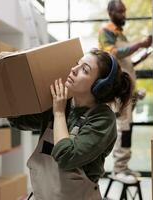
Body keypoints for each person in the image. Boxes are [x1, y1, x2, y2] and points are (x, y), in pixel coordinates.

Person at [7, 49, 133, 200]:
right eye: (77, 65)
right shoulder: (61, 102)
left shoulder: (103, 119)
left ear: (99, 86)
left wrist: (58, 113)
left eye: (84, 70)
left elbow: (66, 157)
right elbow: (19, 120)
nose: (73, 70)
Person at [98, 0, 153, 184]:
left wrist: (139, 57)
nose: (124, 15)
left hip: (127, 89)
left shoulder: (120, 34)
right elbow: (112, 54)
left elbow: (124, 64)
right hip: (119, 90)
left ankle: (124, 165)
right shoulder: (106, 31)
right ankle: (118, 169)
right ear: (111, 12)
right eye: (121, 11)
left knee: (128, 128)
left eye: (124, 11)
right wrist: (139, 44)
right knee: (123, 128)